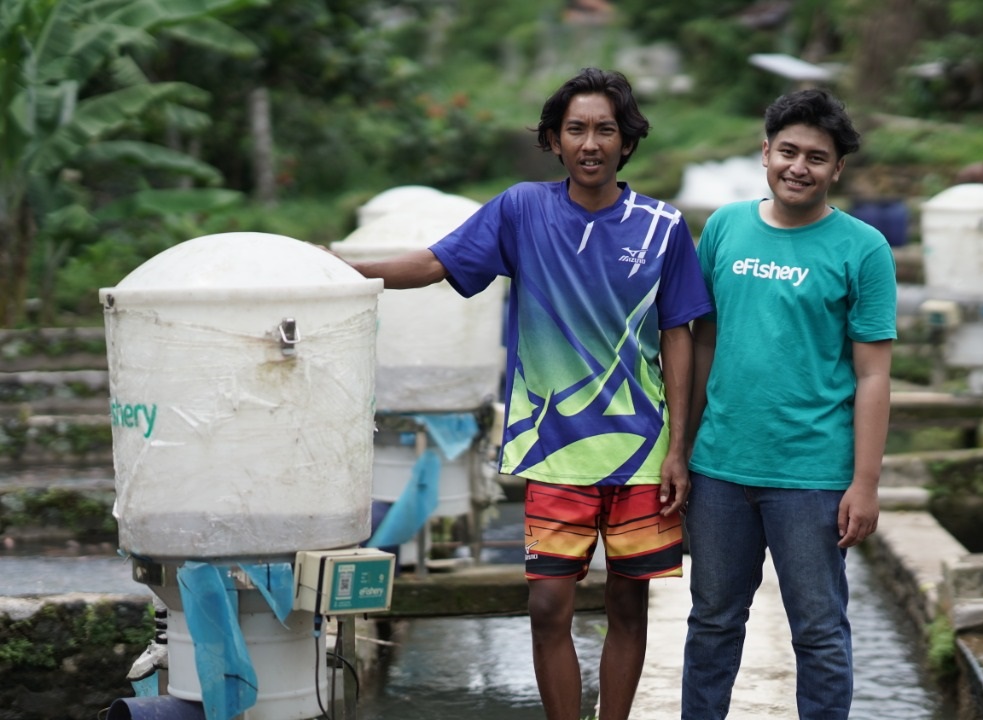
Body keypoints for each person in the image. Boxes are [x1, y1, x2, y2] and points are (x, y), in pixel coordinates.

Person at [344, 68, 711, 720]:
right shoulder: (521, 210)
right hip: (553, 446)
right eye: (576, 129)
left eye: (605, 129)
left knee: (629, 604)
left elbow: (678, 336)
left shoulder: (662, 227)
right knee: (547, 606)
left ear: (627, 141)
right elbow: (433, 263)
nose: (591, 143)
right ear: (553, 140)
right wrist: (342, 269)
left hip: (642, 450)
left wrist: (680, 449)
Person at [681, 88, 898, 720]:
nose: (799, 167)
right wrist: (681, 449)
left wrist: (865, 483)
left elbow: (874, 375)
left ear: (838, 169)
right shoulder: (724, 227)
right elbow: (703, 340)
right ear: (766, 152)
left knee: (819, 631)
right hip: (720, 467)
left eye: (816, 157)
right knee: (712, 622)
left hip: (813, 475)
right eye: (788, 151)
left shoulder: (863, 248)